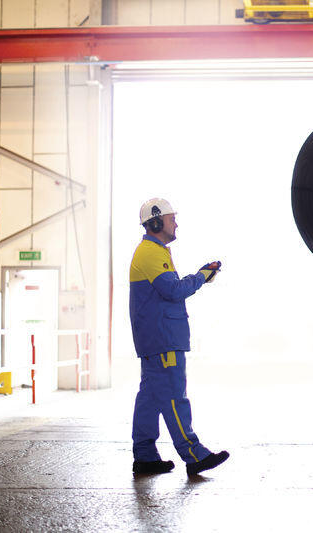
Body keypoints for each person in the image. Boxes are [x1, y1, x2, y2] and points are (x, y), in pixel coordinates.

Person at [129, 197, 229, 477]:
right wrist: (200, 277)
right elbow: (172, 291)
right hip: (163, 340)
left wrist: (200, 277)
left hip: (155, 339)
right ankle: (194, 454)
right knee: (175, 397)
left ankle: (145, 456)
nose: (176, 223)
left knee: (149, 400)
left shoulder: (153, 251)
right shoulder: (150, 253)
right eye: (173, 218)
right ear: (157, 221)